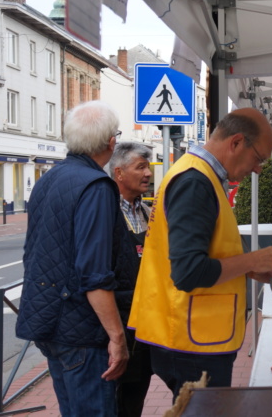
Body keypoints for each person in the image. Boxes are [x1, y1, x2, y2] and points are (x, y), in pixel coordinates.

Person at [128, 108, 272, 401]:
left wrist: (248, 270)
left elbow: (199, 256)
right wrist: (251, 261)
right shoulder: (195, 182)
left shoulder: (199, 176)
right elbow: (189, 273)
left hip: (192, 337)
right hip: (191, 342)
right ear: (236, 142)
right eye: (259, 158)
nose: (258, 169)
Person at [16, 101, 137, 416]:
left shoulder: (48, 180)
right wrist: (116, 336)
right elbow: (94, 272)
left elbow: (34, 253)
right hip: (84, 329)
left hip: (51, 321)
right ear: (111, 142)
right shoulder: (96, 187)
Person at [106, 142, 155, 417]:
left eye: (147, 167)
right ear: (119, 173)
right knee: (113, 401)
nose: (148, 173)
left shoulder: (147, 212)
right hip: (117, 322)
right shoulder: (105, 211)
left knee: (134, 399)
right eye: (141, 167)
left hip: (143, 323)